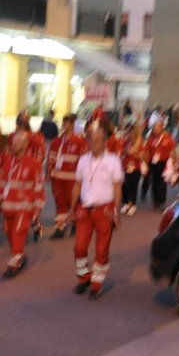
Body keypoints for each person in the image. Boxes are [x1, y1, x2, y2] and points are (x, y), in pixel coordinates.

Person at [70, 123, 124, 299]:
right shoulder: (83, 160)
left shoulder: (113, 161)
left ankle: (96, 284)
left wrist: (116, 212)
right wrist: (72, 208)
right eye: (91, 140)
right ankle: (83, 278)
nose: (94, 144)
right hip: (85, 209)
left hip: (104, 210)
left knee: (102, 250)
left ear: (105, 142)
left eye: (98, 141)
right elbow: (77, 184)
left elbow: (117, 188)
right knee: (79, 247)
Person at [0, 127, 44, 278]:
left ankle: (14, 263)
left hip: (25, 207)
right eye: (13, 142)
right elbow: (3, 181)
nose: (14, 145)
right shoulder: (8, 161)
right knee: (9, 234)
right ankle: (20, 255)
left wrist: (37, 210)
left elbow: (39, 188)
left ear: (25, 144)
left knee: (18, 233)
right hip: (8, 206)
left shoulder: (34, 164)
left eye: (18, 142)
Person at [47, 114, 88, 239]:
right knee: (60, 203)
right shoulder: (56, 141)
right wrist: (49, 173)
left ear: (72, 124)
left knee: (73, 202)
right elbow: (51, 159)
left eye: (67, 123)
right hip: (58, 178)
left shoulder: (80, 142)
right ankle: (60, 227)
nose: (64, 125)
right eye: (63, 123)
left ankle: (76, 223)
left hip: (72, 178)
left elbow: (84, 160)